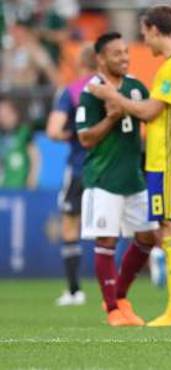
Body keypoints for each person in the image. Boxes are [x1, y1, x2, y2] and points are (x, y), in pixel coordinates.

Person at [89, 6, 171, 327]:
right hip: (170, 157)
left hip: (168, 159)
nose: (143, 41)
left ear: (154, 29)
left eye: (144, 33)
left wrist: (111, 95)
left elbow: (150, 112)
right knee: (167, 228)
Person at [77, 32, 158, 326]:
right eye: (116, 54)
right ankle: (112, 309)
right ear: (101, 59)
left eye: (126, 52)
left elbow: (150, 114)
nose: (123, 58)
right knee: (107, 239)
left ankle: (120, 295)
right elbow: (85, 138)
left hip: (134, 178)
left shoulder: (136, 86)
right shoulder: (91, 91)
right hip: (103, 178)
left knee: (148, 236)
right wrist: (111, 118)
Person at [46, 45, 95, 306]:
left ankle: (74, 291)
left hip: (79, 166)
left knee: (70, 223)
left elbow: (53, 131)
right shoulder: (110, 88)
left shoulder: (72, 91)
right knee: (111, 229)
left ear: (79, 63)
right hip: (109, 167)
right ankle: (117, 289)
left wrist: (72, 135)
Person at [0, 98, 40, 189]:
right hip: (4, 187)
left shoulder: (24, 132)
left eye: (7, 114)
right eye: (1, 115)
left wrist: (32, 177)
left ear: (15, 114)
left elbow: (34, 156)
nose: (3, 118)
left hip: (21, 185)